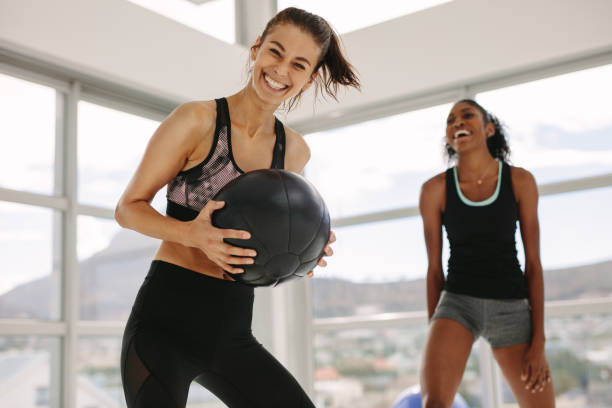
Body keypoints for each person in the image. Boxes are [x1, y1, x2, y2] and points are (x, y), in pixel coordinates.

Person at [114, 7, 359, 408]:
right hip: (162, 325)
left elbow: (271, 236)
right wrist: (191, 233)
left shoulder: (293, 150)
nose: (281, 70)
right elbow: (127, 209)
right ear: (256, 49)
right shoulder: (197, 120)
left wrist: (301, 252)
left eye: (298, 64)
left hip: (231, 332)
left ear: (310, 78)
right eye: (275, 52)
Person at [418, 99, 555, 407]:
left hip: (511, 306)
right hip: (457, 304)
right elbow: (434, 270)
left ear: (488, 129)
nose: (457, 123)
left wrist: (539, 341)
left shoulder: (520, 181)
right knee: (434, 404)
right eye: (450, 120)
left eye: (467, 116)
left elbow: (533, 264)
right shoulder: (434, 190)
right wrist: (434, 332)